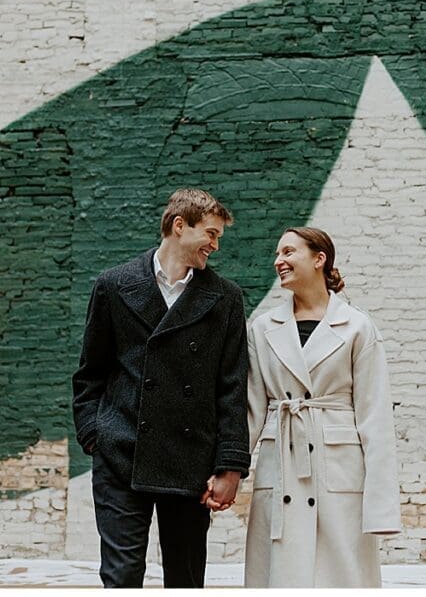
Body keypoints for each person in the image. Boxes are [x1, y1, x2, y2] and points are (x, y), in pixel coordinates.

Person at [72, 188, 250, 588]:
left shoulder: (225, 299)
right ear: (179, 226)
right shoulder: (114, 285)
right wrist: (94, 435)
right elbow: (90, 373)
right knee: (121, 576)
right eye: (211, 233)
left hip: (191, 461)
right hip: (121, 453)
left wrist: (231, 467)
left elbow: (232, 387)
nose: (215, 245)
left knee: (185, 580)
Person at [245, 227, 400, 588]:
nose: (278, 261)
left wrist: (381, 507)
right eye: (277, 254)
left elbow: (376, 419)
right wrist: (226, 472)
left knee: (340, 578)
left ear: (319, 258)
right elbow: (251, 411)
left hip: (339, 471)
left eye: (288, 252)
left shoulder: (358, 327)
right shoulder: (263, 328)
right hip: (281, 463)